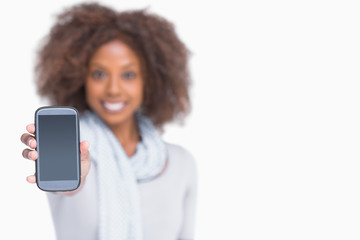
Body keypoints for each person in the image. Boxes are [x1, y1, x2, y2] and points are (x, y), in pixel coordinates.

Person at [20, 3, 197, 240]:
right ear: (81, 78)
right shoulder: (74, 150)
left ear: (150, 81)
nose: (113, 89)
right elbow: (67, 189)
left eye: (128, 74)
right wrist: (73, 178)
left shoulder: (180, 163)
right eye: (99, 74)